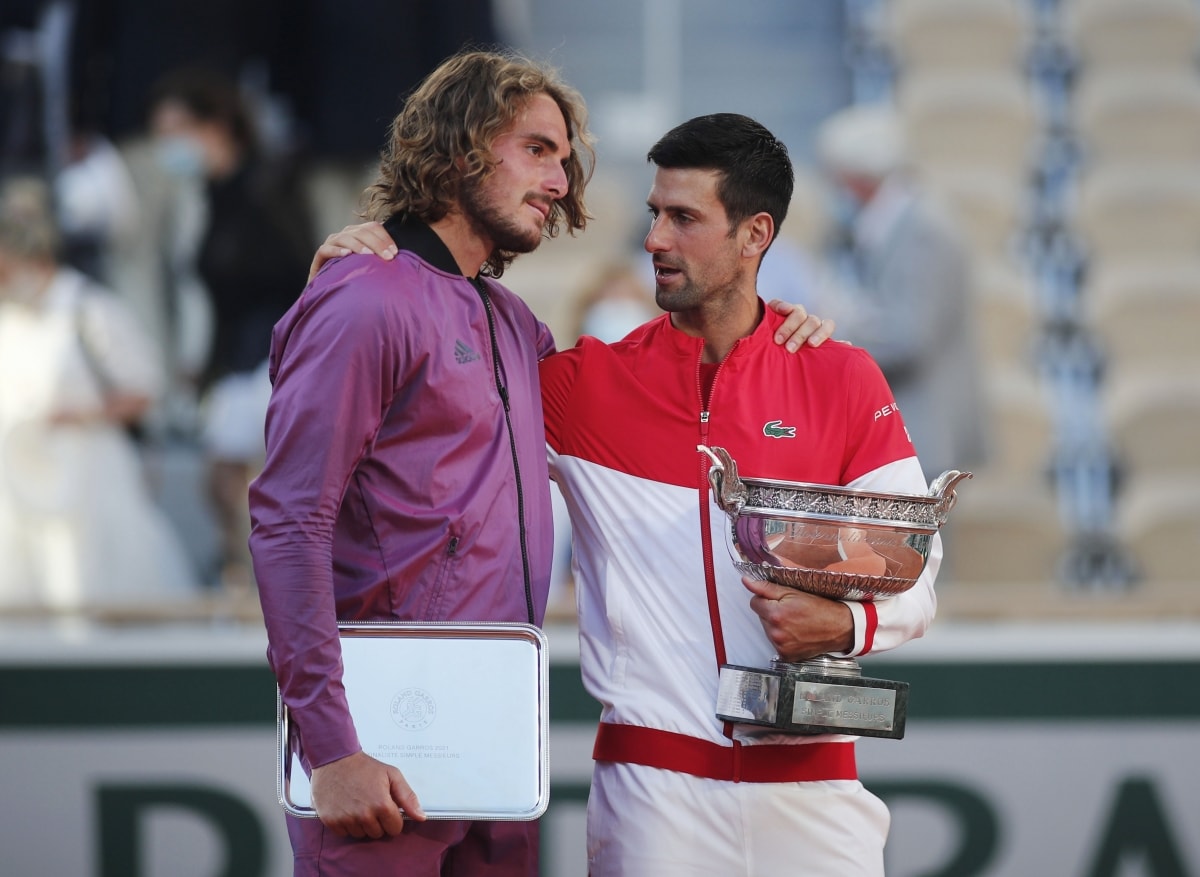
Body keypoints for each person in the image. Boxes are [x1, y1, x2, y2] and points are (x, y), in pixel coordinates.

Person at [256, 50, 833, 877]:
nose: (562, 179)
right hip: (381, 748)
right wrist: (331, 747)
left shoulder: (510, 322)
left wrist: (764, 328)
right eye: (536, 149)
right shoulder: (364, 298)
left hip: (493, 751)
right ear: (457, 146)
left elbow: (646, 383)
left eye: (564, 158)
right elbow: (287, 523)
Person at [145, 67, 316, 591]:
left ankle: (270, 578)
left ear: (215, 126)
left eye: (177, 131)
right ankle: (250, 575)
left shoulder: (267, 189)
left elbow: (295, 272)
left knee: (238, 476)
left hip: (272, 353)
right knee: (223, 479)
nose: (168, 146)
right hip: (237, 358)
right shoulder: (210, 196)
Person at [0, 176, 200, 612]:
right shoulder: (8, 314)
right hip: (16, 480)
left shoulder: (87, 309)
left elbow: (144, 389)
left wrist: (75, 415)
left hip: (86, 477)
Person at [810, 103, 989, 481]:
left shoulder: (921, 230)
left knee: (919, 543)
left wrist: (835, 336)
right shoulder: (897, 225)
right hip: (908, 431)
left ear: (858, 178)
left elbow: (908, 337)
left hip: (924, 429)